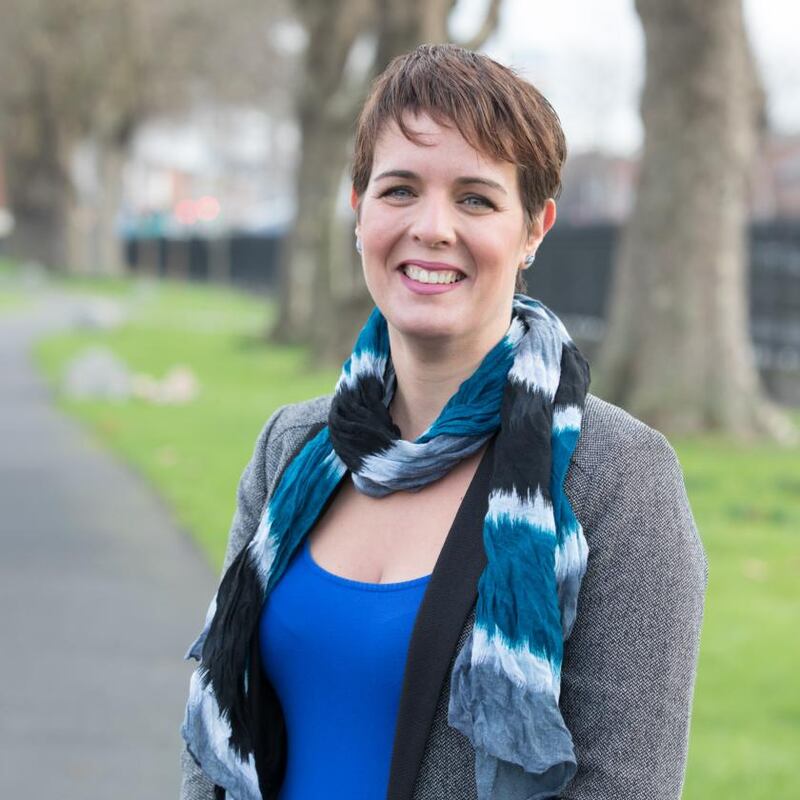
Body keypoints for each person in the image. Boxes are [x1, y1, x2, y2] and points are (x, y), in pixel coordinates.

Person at [180, 44, 706, 800]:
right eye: (399, 190)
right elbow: (213, 753)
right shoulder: (292, 448)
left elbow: (627, 784)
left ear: (534, 229)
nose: (431, 227)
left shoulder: (618, 479)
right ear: (359, 211)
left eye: (475, 198)